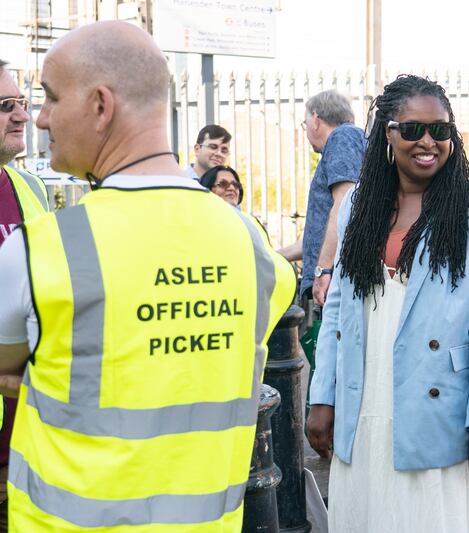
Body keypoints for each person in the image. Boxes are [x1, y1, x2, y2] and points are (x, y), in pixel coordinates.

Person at [0, 21, 295, 531]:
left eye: (49, 98)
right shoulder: (252, 247)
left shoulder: (43, 249)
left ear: (100, 105)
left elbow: (8, 367)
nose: (40, 118)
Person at [307, 75, 469, 533]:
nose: (428, 142)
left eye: (440, 131)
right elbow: (338, 306)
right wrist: (322, 395)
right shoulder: (361, 202)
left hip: (441, 410)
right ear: (389, 132)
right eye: (413, 129)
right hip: (364, 401)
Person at [0, 58, 48, 533]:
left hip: (28, 445)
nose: (21, 116)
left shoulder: (28, 187)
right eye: (4, 106)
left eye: (21, 102)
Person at [277, 90, 366, 307]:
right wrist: (275, 256)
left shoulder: (342, 137)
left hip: (336, 280)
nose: (306, 129)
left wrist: (323, 269)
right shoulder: (347, 141)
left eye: (304, 123)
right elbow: (319, 234)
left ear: (315, 120)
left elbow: (346, 204)